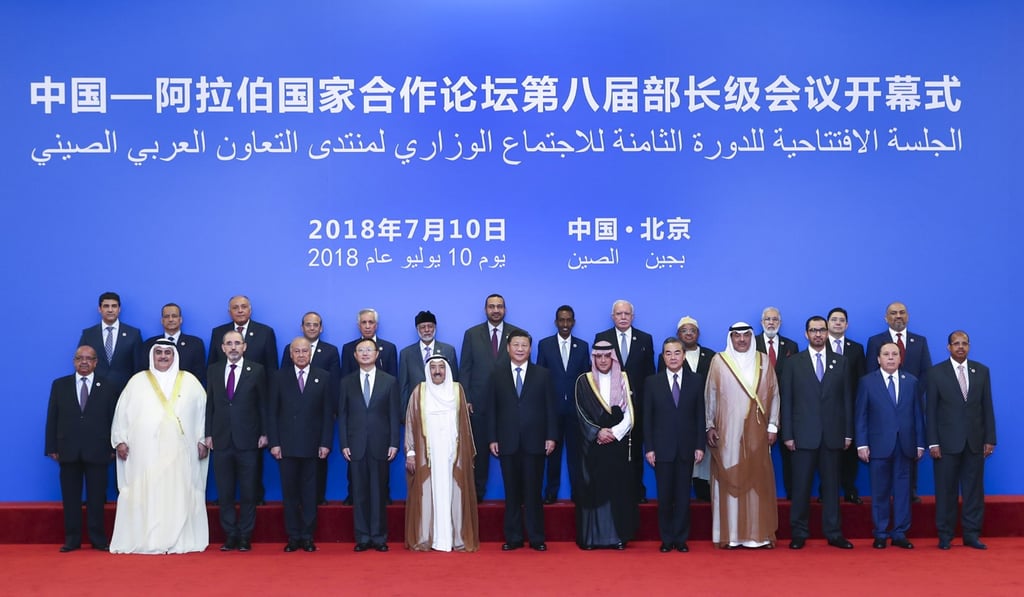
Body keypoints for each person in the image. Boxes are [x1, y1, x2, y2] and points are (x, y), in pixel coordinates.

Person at [110, 340, 209, 554]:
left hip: (180, 452)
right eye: (159, 353)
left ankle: (178, 539)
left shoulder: (190, 381)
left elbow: (203, 413)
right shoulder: (137, 381)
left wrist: (202, 440)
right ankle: (148, 539)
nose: (163, 356)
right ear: (152, 356)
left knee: (178, 491)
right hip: (144, 451)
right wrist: (120, 440)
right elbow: (121, 413)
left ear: (175, 356)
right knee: (146, 491)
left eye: (167, 353)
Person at [705, 323, 780, 549]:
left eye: (746, 335)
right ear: (731, 338)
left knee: (757, 480)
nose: (741, 340)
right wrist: (709, 425)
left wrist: (773, 426)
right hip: (727, 433)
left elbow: (774, 393)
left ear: (751, 337)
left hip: (757, 432)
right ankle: (731, 535)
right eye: (736, 336)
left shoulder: (763, 360)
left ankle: (759, 535)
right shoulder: (719, 361)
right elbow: (711, 394)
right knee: (730, 479)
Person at [781, 316, 854, 550]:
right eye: (813, 330)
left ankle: (834, 533)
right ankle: (799, 533)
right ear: (806, 334)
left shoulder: (841, 362)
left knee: (832, 488)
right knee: (800, 488)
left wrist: (848, 433)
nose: (818, 334)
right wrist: (787, 434)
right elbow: (787, 401)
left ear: (827, 333)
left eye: (822, 330)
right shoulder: (793, 363)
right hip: (802, 436)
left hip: (833, 435)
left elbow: (847, 400)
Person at [487, 330, 557, 552]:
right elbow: (492, 409)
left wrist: (551, 436)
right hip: (507, 441)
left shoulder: (542, 374)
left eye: (524, 345)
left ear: (530, 348)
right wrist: (492, 438)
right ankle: (514, 537)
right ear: (508, 348)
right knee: (512, 492)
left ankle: (536, 538)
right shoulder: (496, 374)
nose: (519, 349)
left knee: (534, 492)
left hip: (535, 441)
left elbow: (551, 408)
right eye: (516, 345)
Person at [927, 330, 996, 550]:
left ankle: (972, 534)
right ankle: (945, 535)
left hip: (975, 442)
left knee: (973, 491)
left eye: (964, 343)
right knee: (945, 491)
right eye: (956, 343)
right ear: (948, 347)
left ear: (969, 346)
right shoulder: (936, 372)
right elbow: (930, 411)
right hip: (946, 444)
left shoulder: (981, 371)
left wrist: (990, 438)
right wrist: (933, 442)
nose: (960, 347)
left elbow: (987, 407)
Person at [45, 346, 117, 552]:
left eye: (88, 358)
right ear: (74, 361)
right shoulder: (60, 385)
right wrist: (51, 446)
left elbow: (114, 418)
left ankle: (98, 539)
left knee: (96, 498)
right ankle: (72, 539)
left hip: (98, 449)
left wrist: (113, 446)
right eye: (79, 358)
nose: (84, 362)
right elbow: (53, 416)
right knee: (70, 498)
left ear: (96, 362)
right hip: (67, 449)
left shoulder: (109, 386)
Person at [404, 356, 479, 552]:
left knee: (454, 493)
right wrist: (410, 452)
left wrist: (463, 454)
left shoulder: (457, 390)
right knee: (427, 493)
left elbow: (464, 425)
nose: (437, 371)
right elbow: (411, 422)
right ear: (427, 370)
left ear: (447, 370)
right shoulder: (419, 392)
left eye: (441, 367)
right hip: (427, 454)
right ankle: (427, 538)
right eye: (433, 367)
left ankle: (456, 538)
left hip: (453, 453)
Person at [209, 295, 278, 505]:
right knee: (225, 473)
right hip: (224, 417)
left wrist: (267, 422)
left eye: (244, 307)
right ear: (229, 311)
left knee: (253, 463)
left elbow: (271, 370)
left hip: (252, 409)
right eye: (235, 307)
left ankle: (256, 495)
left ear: (250, 309)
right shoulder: (218, 333)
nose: (240, 310)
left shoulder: (265, 332)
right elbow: (212, 368)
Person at [855, 342, 924, 549]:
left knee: (903, 492)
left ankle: (900, 533)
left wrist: (920, 443)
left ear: (901, 358)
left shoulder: (911, 381)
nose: (891, 357)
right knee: (880, 491)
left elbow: (918, 415)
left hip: (905, 445)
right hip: (878, 446)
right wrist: (861, 443)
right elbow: (861, 415)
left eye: (895, 354)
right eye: (886, 354)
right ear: (878, 359)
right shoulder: (867, 382)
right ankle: (881, 533)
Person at [267, 337, 333, 553]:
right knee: (290, 494)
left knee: (310, 494)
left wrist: (325, 442)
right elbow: (272, 413)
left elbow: (328, 414)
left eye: (305, 351)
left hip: (313, 446)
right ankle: (293, 536)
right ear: (290, 354)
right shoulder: (279, 377)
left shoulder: (323, 377)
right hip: (286, 447)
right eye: (297, 351)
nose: (302, 355)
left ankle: (307, 536)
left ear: (310, 353)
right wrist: (274, 443)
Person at [459, 294, 525, 500]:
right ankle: (477, 495)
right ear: (485, 309)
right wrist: (466, 398)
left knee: (511, 452)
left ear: (505, 309)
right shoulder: (472, 334)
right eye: (491, 306)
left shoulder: (517, 335)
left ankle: (515, 495)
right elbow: (465, 369)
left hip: (509, 405)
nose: (496, 310)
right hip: (478, 405)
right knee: (479, 453)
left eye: (499, 306)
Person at [205, 330, 267, 552]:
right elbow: (210, 404)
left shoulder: (256, 370)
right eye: (229, 343)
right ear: (223, 348)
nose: (233, 347)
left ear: (244, 347)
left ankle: (245, 536)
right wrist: (208, 433)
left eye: (237, 343)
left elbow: (263, 404)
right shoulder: (213, 370)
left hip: (248, 440)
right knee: (225, 492)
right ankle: (230, 535)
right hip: (221, 439)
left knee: (249, 492)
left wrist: (264, 433)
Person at [574, 340, 638, 550]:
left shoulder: (624, 379)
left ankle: (617, 537)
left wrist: (615, 433)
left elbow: (631, 411)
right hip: (592, 447)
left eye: (606, 356)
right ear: (593, 358)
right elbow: (580, 412)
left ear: (613, 358)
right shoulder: (583, 381)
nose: (602, 360)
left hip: (617, 446)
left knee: (617, 490)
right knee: (593, 490)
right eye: (598, 356)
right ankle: (591, 539)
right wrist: (597, 432)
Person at [865, 301, 931, 503]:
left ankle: (910, 491)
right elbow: (871, 374)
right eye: (893, 313)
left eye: (902, 312)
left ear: (907, 316)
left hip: (910, 406)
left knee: (909, 449)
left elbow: (926, 373)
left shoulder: (920, 341)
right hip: (883, 410)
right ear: (886, 318)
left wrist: (909, 396)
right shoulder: (875, 341)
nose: (898, 316)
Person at [339, 339, 401, 552]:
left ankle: (379, 536)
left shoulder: (389, 381)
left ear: (376, 354)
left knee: (379, 492)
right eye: (361, 350)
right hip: (355, 445)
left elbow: (394, 414)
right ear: (355, 355)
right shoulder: (346, 382)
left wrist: (394, 442)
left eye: (369, 350)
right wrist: (344, 443)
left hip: (381, 444)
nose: (365, 353)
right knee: (360, 493)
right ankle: (363, 537)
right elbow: (343, 415)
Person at [644, 338, 705, 553]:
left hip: (687, 448)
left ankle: (681, 538)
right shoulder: (652, 382)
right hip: (661, 449)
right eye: (668, 353)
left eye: (677, 353)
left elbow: (700, 416)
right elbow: (647, 418)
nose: (673, 357)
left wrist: (700, 445)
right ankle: (666, 539)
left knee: (682, 497)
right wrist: (649, 448)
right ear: (663, 357)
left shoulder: (696, 380)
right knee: (664, 497)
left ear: (684, 355)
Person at [593, 299, 655, 503]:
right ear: (613, 317)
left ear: (632, 316)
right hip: (611, 407)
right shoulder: (602, 337)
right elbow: (596, 373)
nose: (623, 317)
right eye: (619, 314)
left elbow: (649, 374)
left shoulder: (645, 339)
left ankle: (636, 491)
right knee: (612, 452)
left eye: (626, 314)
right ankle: (612, 492)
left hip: (637, 406)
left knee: (635, 450)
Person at [282, 312, 341, 506]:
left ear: (321, 328)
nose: (312, 328)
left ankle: (318, 497)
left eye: (316, 324)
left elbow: (334, 384)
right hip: (292, 422)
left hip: (319, 416)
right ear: (302, 327)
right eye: (308, 324)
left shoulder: (330, 351)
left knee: (318, 463)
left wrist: (332, 412)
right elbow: (284, 381)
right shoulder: (289, 349)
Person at [340, 308, 398, 504]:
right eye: (363, 322)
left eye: (370, 322)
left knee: (380, 478)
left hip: (379, 426)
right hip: (356, 426)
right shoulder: (348, 349)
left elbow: (393, 387)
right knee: (356, 474)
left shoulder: (388, 348)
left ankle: (383, 497)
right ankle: (353, 495)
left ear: (376, 325)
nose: (367, 326)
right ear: (359, 325)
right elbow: (346, 388)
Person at [535, 305, 590, 503]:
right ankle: (551, 492)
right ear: (556, 322)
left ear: (573, 322)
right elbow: (539, 378)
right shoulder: (545, 345)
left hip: (576, 412)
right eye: (561, 320)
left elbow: (585, 379)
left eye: (568, 320)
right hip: (552, 411)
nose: (565, 324)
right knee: (552, 455)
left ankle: (578, 492)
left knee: (577, 455)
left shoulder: (582, 346)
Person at [660, 316, 715, 501]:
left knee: (702, 456)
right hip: (677, 419)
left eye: (693, 330)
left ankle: (702, 491)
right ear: (678, 334)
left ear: (698, 334)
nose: (689, 334)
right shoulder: (667, 358)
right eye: (684, 330)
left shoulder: (710, 355)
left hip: (704, 413)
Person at [754, 306, 798, 498]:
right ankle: (758, 495)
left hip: (786, 408)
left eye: (774, 319)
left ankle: (792, 494)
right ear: (761, 322)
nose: (771, 323)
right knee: (758, 455)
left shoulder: (791, 346)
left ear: (780, 322)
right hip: (759, 409)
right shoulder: (751, 343)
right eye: (767, 319)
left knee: (790, 455)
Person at [825, 307, 867, 504]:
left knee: (850, 453)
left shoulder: (856, 348)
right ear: (827, 323)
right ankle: (826, 491)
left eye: (841, 320)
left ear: (847, 325)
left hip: (850, 408)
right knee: (826, 453)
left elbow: (862, 380)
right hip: (825, 409)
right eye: (834, 319)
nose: (838, 323)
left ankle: (850, 489)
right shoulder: (819, 345)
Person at [78, 291, 144, 393]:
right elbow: (81, 362)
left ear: (119, 309)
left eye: (114, 306)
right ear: (99, 309)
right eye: (106, 306)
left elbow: (138, 366)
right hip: (95, 391)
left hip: (125, 391)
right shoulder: (88, 334)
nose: (110, 310)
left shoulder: (133, 334)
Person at [398, 310, 459, 412]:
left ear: (435, 328)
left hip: (443, 407)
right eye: (423, 327)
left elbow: (454, 382)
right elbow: (403, 386)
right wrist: (404, 414)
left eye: (430, 326)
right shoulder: (406, 353)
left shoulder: (448, 350)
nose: (427, 330)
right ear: (417, 329)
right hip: (416, 408)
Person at [145, 303, 207, 386]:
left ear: (180, 319)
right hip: (157, 389)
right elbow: (145, 372)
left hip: (186, 389)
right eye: (166, 316)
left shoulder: (195, 343)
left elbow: (199, 374)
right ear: (162, 321)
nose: (170, 319)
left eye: (174, 316)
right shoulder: (150, 344)